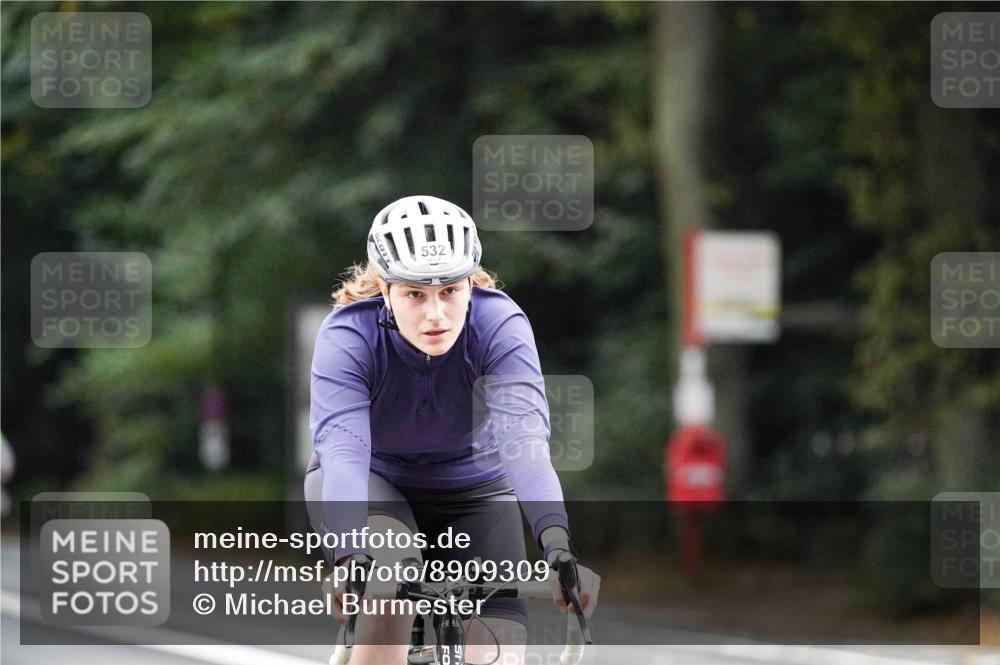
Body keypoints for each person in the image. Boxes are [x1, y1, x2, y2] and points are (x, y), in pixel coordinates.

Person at [304, 195, 599, 665]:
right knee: (387, 602)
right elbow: (344, 452)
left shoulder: (499, 325)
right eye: (414, 294)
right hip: (377, 483)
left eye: (450, 291)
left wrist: (557, 545)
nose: (436, 314)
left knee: (497, 651)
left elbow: (523, 443)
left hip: (475, 489)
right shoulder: (349, 336)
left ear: (469, 284)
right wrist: (348, 555)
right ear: (385, 290)